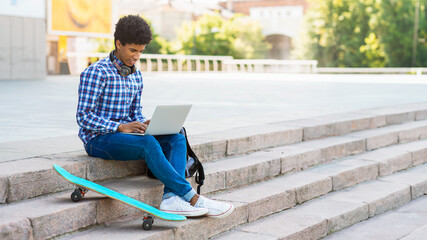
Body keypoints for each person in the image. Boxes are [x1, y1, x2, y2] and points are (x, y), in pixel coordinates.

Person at [76, 15, 234, 218]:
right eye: (132, 50)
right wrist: (118, 127)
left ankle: (170, 199)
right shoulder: (95, 73)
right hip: (98, 139)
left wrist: (145, 123)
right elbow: (83, 117)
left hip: (128, 136)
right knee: (149, 144)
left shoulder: (136, 75)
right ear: (118, 43)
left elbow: (134, 113)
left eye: (140, 52)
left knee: (176, 137)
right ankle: (192, 197)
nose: (136, 56)